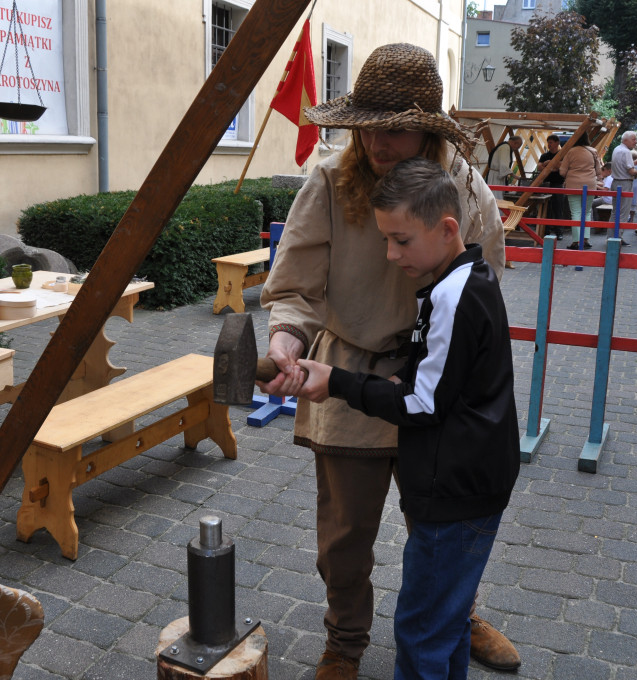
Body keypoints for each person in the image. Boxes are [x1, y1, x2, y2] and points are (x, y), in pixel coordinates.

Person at [260, 43, 518, 679]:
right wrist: (285, 347)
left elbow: (485, 285)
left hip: (440, 382)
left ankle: (455, 613)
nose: (375, 144)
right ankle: (345, 642)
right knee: (345, 537)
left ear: (429, 131)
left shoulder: (463, 186)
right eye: (366, 127)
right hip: (351, 372)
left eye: (394, 129)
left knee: (447, 525)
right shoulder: (328, 179)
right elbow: (294, 287)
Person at [558, 131, 602, 249]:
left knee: (576, 212)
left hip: (573, 185)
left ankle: (576, 241)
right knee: (586, 212)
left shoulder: (570, 151)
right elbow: (598, 171)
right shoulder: (593, 151)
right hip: (590, 184)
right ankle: (586, 239)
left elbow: (562, 172)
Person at [537, 134, 570, 232]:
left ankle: (559, 230)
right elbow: (539, 167)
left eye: (551, 142)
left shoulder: (562, 155)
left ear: (557, 143)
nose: (549, 145)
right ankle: (546, 230)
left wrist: (548, 164)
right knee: (547, 208)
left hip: (558, 184)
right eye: (548, 143)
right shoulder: (544, 155)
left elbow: (561, 167)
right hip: (546, 185)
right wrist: (552, 166)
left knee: (558, 208)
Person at [611, 131, 637, 229]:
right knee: (623, 212)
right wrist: (636, 171)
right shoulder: (627, 152)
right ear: (625, 140)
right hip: (625, 183)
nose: (635, 142)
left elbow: (621, 165)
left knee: (615, 212)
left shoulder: (617, 149)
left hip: (615, 182)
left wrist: (633, 163)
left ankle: (611, 236)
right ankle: (618, 237)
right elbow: (631, 171)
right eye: (633, 139)